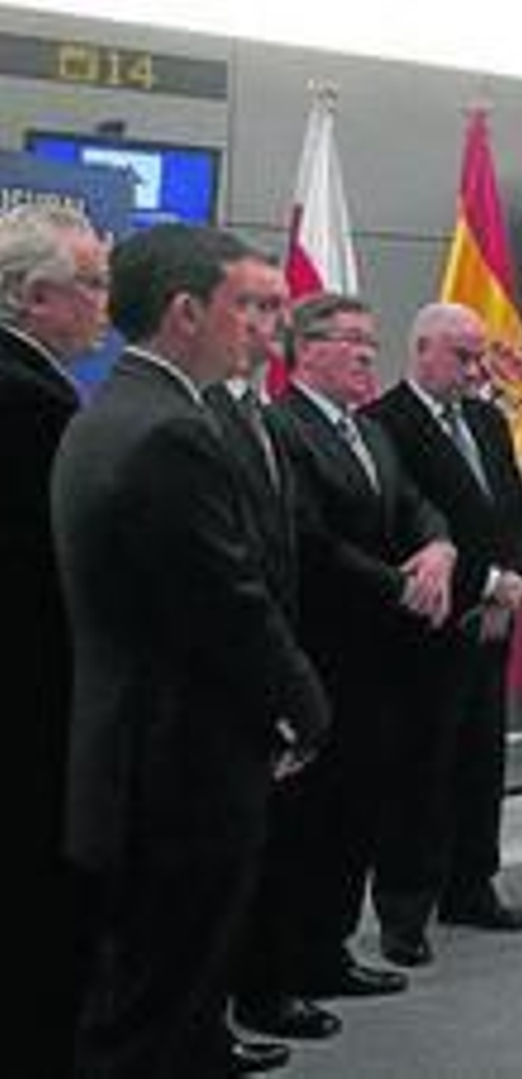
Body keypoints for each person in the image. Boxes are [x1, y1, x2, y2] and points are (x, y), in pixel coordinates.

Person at [54, 223, 330, 1077]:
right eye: (245, 304)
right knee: (156, 1010)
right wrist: (308, 705)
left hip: (138, 753)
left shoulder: (114, 407)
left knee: (156, 994)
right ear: (184, 312)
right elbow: (229, 605)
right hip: (180, 767)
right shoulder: (171, 430)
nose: (266, 327)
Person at [269, 292, 456, 998]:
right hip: (322, 655)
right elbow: (311, 542)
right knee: (307, 823)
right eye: (350, 340)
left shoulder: (367, 431)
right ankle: (284, 966)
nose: (366, 354)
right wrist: (399, 586)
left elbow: (415, 503)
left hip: (382, 664)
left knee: (357, 814)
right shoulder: (283, 428)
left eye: (371, 341)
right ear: (306, 349)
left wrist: (438, 549)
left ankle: (331, 949)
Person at [365, 303, 522, 965]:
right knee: (420, 771)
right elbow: (403, 530)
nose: (475, 370)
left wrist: (516, 582)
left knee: (481, 761)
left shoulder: (489, 419)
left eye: (480, 356)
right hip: (427, 630)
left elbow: (517, 514)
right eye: (462, 356)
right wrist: (485, 583)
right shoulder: (385, 423)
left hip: (491, 626)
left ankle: (472, 884)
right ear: (423, 350)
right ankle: (405, 908)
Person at [202, 262, 345, 1052]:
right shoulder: (202, 418)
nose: (267, 325)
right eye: (252, 307)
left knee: (268, 849)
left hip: (283, 657)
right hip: (235, 673)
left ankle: (258, 990)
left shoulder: (257, 412)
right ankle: (221, 1014)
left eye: (276, 309)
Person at [0, 202, 108, 1078]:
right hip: (37, 713)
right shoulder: (34, 405)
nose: (107, 303)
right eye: (94, 285)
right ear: (36, 298)